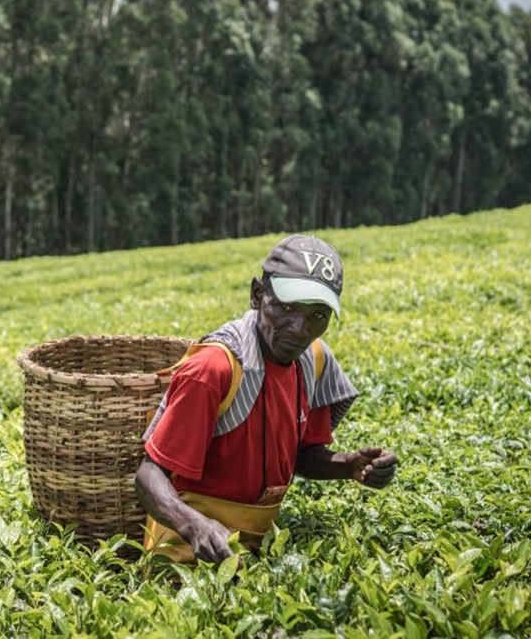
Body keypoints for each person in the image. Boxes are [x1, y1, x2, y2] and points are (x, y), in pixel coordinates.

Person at [134, 234, 398, 563]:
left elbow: (300, 455)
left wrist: (350, 465)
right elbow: (148, 476)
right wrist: (195, 526)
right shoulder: (214, 369)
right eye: (286, 308)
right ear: (257, 295)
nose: (300, 329)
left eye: (317, 315)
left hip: (263, 544)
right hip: (187, 551)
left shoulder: (313, 360)